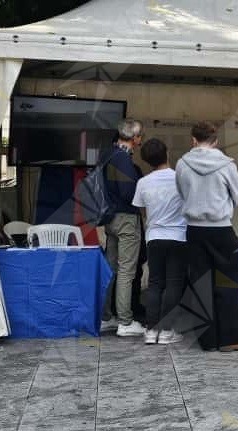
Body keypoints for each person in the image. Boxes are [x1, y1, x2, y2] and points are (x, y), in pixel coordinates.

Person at [175, 121, 238, 351]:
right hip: (221, 228)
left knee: (201, 283)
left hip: (194, 229)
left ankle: (207, 340)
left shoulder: (182, 164)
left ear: (193, 140)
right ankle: (232, 338)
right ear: (216, 141)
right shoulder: (226, 164)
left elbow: (181, 192)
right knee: (228, 283)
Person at [132, 138, 186, 345]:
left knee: (155, 282)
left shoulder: (143, 182)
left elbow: (143, 211)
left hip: (154, 236)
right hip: (179, 236)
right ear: (167, 154)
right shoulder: (180, 179)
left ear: (146, 161)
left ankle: (150, 330)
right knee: (173, 283)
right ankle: (166, 331)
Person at [100, 118, 147, 337]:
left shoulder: (107, 154)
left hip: (109, 218)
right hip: (126, 219)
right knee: (127, 271)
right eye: (140, 136)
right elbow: (129, 194)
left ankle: (106, 316)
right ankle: (125, 321)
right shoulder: (125, 160)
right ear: (135, 138)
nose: (140, 141)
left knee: (111, 268)